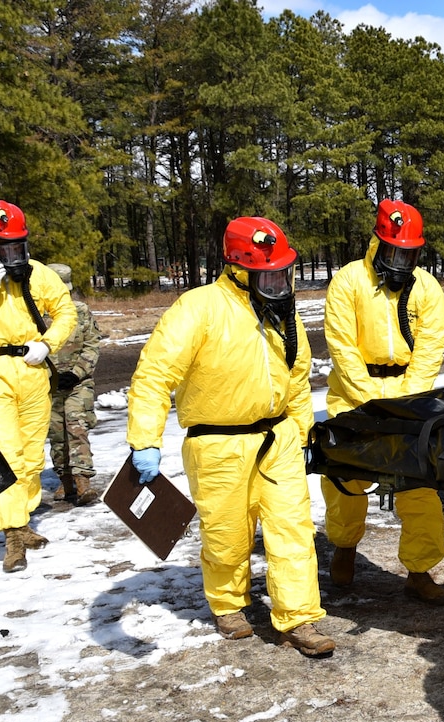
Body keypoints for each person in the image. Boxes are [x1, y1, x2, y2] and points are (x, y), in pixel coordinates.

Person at [126, 216, 335, 656]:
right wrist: (145, 438)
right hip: (216, 442)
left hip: (276, 439)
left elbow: (296, 377)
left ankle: (299, 618)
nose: (279, 282)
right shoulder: (198, 308)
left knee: (293, 529)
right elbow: (153, 375)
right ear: (239, 270)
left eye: (284, 273)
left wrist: (301, 434)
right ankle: (228, 604)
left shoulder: (281, 313)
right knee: (227, 534)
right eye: (269, 275)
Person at [320, 199, 444, 604]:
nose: (401, 261)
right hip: (353, 395)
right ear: (377, 243)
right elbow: (341, 347)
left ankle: (419, 569)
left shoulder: (427, 289)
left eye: (409, 253)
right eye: (395, 251)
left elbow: (429, 351)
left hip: (409, 397)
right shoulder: (348, 282)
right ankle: (345, 547)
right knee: (345, 481)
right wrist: (369, 402)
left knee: (420, 486)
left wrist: (407, 403)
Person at [0, 199, 75, 573]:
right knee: (5, 453)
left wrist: (48, 343)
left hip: (32, 365)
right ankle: (11, 533)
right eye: (5, 246)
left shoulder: (37, 273)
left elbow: (66, 310)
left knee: (32, 453)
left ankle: (24, 517)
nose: (12, 254)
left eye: (18, 245)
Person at [47, 263, 103, 506]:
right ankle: (65, 479)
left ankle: (83, 480)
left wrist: (78, 372)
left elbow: (92, 344)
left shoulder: (81, 312)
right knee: (57, 433)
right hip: (48, 386)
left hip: (78, 383)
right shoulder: (33, 315)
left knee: (75, 423)